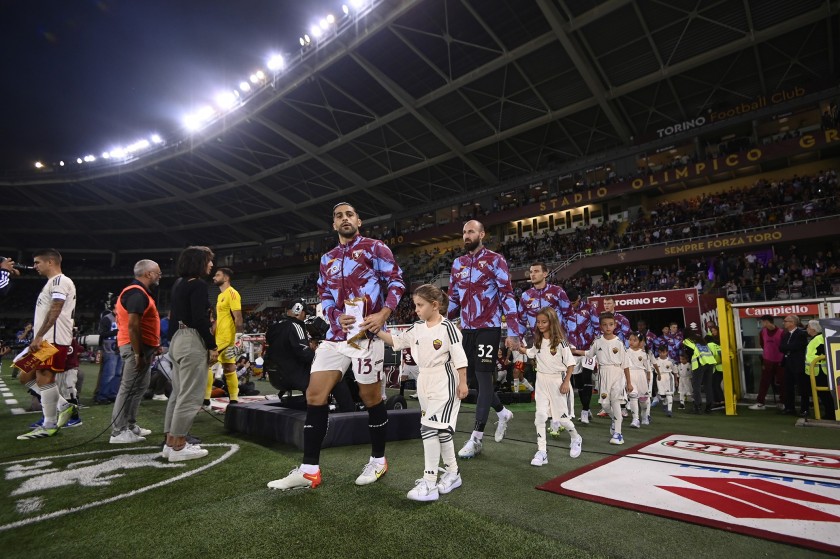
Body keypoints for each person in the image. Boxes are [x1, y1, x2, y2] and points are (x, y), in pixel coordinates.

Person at [268, 202, 405, 490]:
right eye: (339, 216)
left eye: (349, 215)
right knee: (314, 394)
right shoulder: (327, 258)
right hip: (336, 337)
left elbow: (396, 282)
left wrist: (383, 314)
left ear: (359, 220)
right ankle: (309, 470)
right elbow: (324, 295)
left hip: (366, 335)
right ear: (333, 224)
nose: (345, 219)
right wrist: (333, 315)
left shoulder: (375, 247)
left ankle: (378, 460)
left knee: (370, 398)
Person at [375, 284, 468, 501]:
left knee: (428, 429)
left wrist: (463, 383)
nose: (416, 309)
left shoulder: (449, 328)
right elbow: (396, 342)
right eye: (416, 305)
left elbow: (460, 358)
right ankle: (453, 473)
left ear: (434, 305)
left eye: (420, 305)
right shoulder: (417, 327)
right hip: (424, 380)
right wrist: (377, 331)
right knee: (441, 431)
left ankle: (429, 483)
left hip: (444, 382)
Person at [447, 220, 520, 459]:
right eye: (464, 232)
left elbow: (507, 294)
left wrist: (513, 330)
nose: (466, 235)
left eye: (471, 231)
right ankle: (501, 412)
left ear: (482, 233)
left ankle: (476, 438)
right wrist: (442, 322)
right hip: (466, 329)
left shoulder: (495, 260)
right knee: (469, 379)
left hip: (488, 327)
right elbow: (454, 298)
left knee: (483, 378)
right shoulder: (458, 263)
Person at [162, 246, 218, 462]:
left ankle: (170, 443)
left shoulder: (178, 284)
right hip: (191, 339)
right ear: (199, 262)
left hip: (177, 339)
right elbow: (199, 319)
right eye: (208, 260)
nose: (212, 264)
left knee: (177, 394)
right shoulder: (198, 285)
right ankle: (178, 446)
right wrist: (212, 345)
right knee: (190, 395)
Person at [17, 249, 78, 440]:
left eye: (37, 262)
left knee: (44, 377)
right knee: (24, 376)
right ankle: (64, 406)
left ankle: (49, 424)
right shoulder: (53, 283)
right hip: (46, 339)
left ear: (50, 262)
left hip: (52, 339)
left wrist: (39, 336)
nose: (34, 266)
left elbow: (56, 309)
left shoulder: (60, 281)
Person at [520, 307, 581, 466]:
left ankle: (575, 437)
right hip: (541, 381)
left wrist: (566, 382)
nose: (540, 325)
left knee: (562, 420)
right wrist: (516, 347)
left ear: (552, 322)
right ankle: (542, 451)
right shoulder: (538, 340)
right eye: (538, 322)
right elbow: (531, 353)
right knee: (540, 416)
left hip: (557, 382)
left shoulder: (561, 342)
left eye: (544, 322)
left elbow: (570, 364)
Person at [110, 260, 161, 444]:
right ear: (148, 274)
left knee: (139, 387)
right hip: (134, 347)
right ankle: (118, 431)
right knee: (129, 388)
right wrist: (138, 353)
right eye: (157, 273)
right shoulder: (136, 293)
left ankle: (130, 425)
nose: (159, 276)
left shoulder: (140, 292)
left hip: (142, 347)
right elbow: (133, 326)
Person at [574, 312, 630, 445]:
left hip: (617, 373)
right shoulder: (597, 341)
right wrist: (575, 351)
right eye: (605, 325)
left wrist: (629, 382)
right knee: (605, 405)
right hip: (603, 374)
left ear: (615, 325)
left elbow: (626, 364)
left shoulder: (619, 342)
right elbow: (589, 354)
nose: (608, 327)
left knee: (616, 402)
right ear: (600, 327)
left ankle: (618, 434)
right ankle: (615, 420)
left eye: (611, 324)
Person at [205, 267, 243, 406]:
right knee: (229, 367)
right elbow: (219, 319)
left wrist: (239, 339)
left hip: (227, 338)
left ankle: (205, 398)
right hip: (220, 336)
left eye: (218, 275)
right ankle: (233, 399)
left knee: (207, 363)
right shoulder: (220, 296)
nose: (214, 277)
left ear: (226, 278)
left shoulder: (232, 294)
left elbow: (238, 317)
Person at [264, 299, 316, 394]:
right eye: (305, 314)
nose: (305, 317)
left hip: (275, 377)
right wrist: (317, 354)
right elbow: (305, 354)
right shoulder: (296, 326)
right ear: (299, 311)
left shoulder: (273, 327)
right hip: (294, 378)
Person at [564, 288, 598, 424]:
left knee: (586, 377)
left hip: (588, 349)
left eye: (574, 302)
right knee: (578, 382)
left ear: (579, 299)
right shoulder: (565, 310)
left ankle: (584, 411)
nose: (572, 305)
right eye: (569, 302)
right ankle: (587, 408)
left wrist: (596, 345)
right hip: (573, 350)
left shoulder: (590, 308)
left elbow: (597, 326)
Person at [517, 261, 571, 338]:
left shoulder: (557, 291)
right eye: (531, 272)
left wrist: (572, 340)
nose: (533, 274)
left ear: (545, 274)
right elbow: (521, 321)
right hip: (538, 341)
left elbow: (570, 316)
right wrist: (518, 339)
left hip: (558, 339)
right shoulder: (525, 296)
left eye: (536, 271)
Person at [749, 314, 785, 410]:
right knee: (764, 382)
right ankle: (760, 402)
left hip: (780, 361)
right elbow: (762, 344)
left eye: (761, 322)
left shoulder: (781, 332)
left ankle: (783, 402)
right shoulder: (762, 332)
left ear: (766, 321)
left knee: (782, 382)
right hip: (768, 360)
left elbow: (784, 346)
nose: (761, 324)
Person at [779, 314, 808, 416]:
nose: (784, 323)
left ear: (793, 323)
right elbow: (781, 347)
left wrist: (787, 347)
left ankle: (804, 409)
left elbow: (797, 346)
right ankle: (789, 408)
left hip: (798, 364)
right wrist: (788, 347)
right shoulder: (786, 334)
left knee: (802, 388)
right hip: (788, 364)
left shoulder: (801, 333)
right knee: (788, 387)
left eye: (786, 321)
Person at [804, 320, 834, 419]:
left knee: (825, 395)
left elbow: (816, 355)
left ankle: (830, 414)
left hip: (820, 371)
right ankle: (830, 413)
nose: (807, 329)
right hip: (820, 370)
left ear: (812, 329)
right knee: (825, 394)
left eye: (808, 327)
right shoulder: (819, 338)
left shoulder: (817, 339)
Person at [682, 329, 716, 414]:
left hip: (700, 363)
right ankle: (709, 407)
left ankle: (697, 407)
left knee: (696, 386)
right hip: (710, 362)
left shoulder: (687, 341)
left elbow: (689, 353)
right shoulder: (701, 339)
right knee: (708, 385)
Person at [95, 304, 122, 404]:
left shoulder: (123, 318)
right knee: (109, 374)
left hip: (120, 349)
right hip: (109, 349)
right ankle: (102, 396)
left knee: (117, 374)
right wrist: (115, 332)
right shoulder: (107, 318)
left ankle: (112, 394)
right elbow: (102, 333)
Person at [625, 332, 652, 428]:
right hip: (630, 375)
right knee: (633, 396)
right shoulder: (625, 352)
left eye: (634, 340)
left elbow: (648, 368)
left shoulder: (644, 354)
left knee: (643, 401)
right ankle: (635, 419)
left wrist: (648, 378)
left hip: (641, 376)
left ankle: (644, 416)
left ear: (640, 342)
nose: (631, 342)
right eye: (630, 339)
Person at [652, 345, 676, 417]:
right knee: (662, 395)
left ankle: (669, 410)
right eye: (660, 352)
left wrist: (676, 380)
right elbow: (651, 369)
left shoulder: (670, 361)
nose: (662, 354)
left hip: (668, 377)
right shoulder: (656, 360)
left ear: (667, 352)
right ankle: (664, 403)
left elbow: (675, 371)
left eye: (663, 352)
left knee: (669, 394)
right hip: (659, 378)